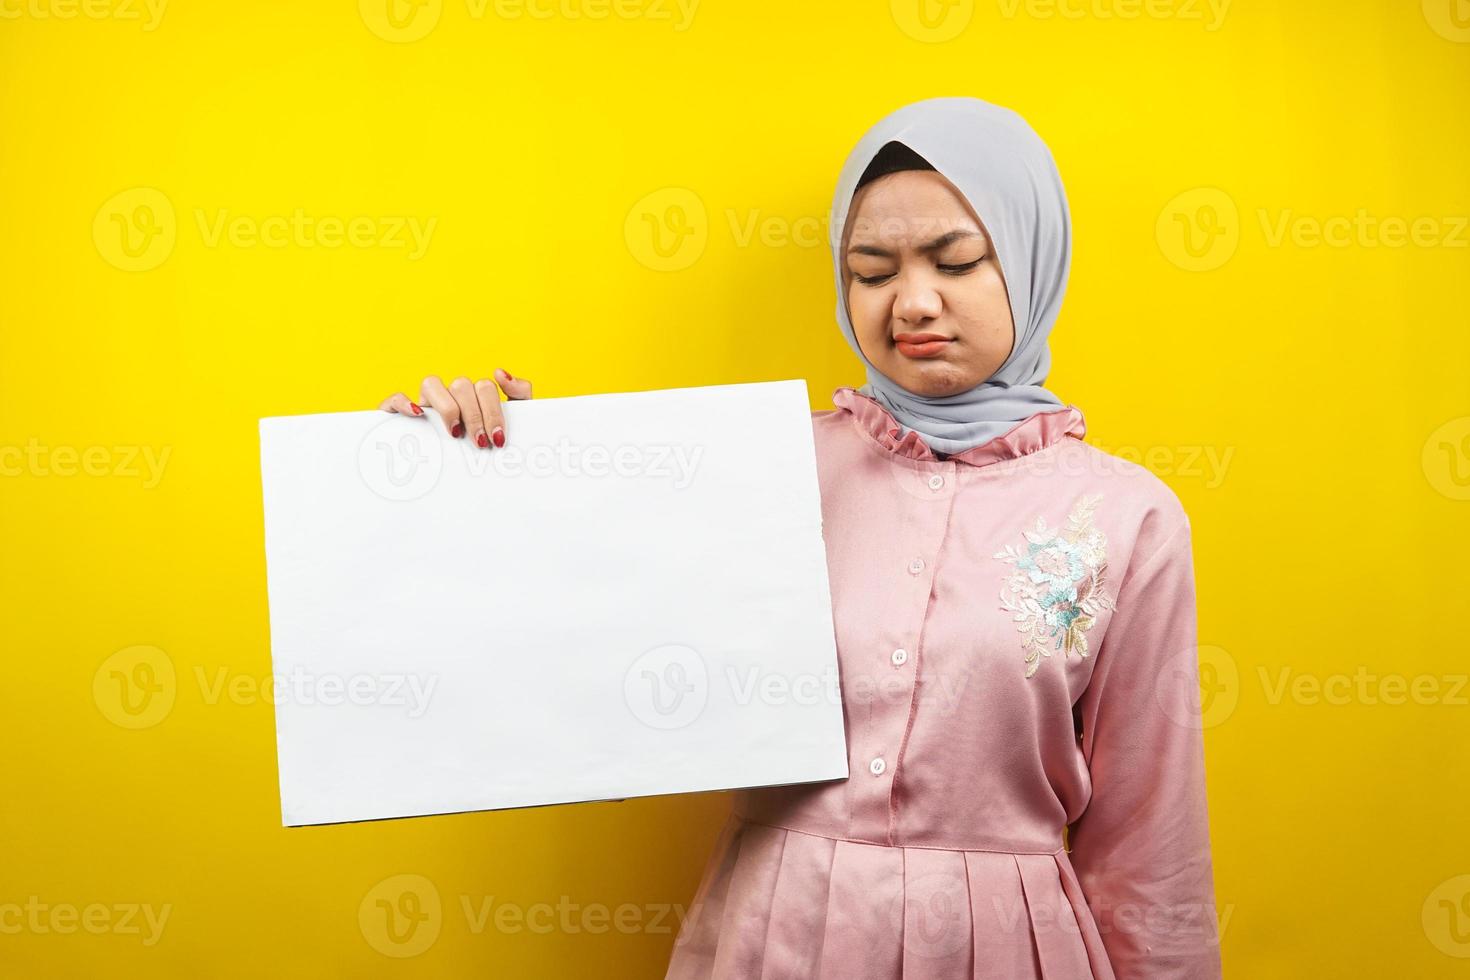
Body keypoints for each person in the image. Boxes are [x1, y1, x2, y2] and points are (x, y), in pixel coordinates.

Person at [376, 96, 1223, 979]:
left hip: (1003, 949)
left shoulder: (1129, 518)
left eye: (958, 260)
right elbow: (584, 605)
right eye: (871, 270)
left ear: (1032, 258)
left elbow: (1150, 843)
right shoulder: (757, 468)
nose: (915, 301)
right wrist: (453, 469)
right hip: (776, 936)